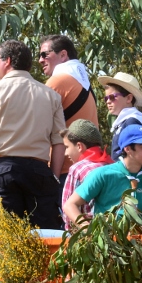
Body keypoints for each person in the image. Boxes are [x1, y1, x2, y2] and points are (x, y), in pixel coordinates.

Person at [0, 40, 65, 229]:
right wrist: (53, 177)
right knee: (44, 237)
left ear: (7, 61)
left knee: (7, 239)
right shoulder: (51, 95)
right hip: (39, 172)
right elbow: (59, 141)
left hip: (3, 171)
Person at [63, 125, 142, 234]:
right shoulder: (103, 174)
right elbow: (70, 205)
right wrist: (88, 230)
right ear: (128, 149)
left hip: (138, 236)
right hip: (109, 236)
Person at [38, 35, 101, 185]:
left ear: (63, 55)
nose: (40, 60)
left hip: (66, 171)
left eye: (44, 54)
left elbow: (38, 126)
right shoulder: (82, 81)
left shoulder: (58, 80)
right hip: (90, 166)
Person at [60, 119, 113, 229]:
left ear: (79, 146)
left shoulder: (77, 169)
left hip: (86, 234)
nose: (65, 153)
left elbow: (68, 214)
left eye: (67, 147)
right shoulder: (113, 166)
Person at [98, 72, 142, 161]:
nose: (108, 101)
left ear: (129, 98)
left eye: (112, 97)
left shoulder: (132, 122)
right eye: (106, 98)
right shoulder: (124, 122)